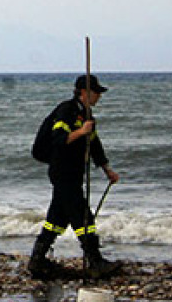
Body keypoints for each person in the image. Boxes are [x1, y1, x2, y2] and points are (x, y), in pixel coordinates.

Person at [27, 74, 121, 279]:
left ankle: (37, 260)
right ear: (84, 92)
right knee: (82, 215)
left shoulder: (87, 116)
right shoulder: (66, 110)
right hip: (62, 172)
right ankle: (95, 262)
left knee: (57, 219)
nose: (99, 97)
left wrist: (107, 170)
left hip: (73, 173)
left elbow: (95, 145)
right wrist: (81, 131)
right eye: (96, 92)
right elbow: (59, 139)